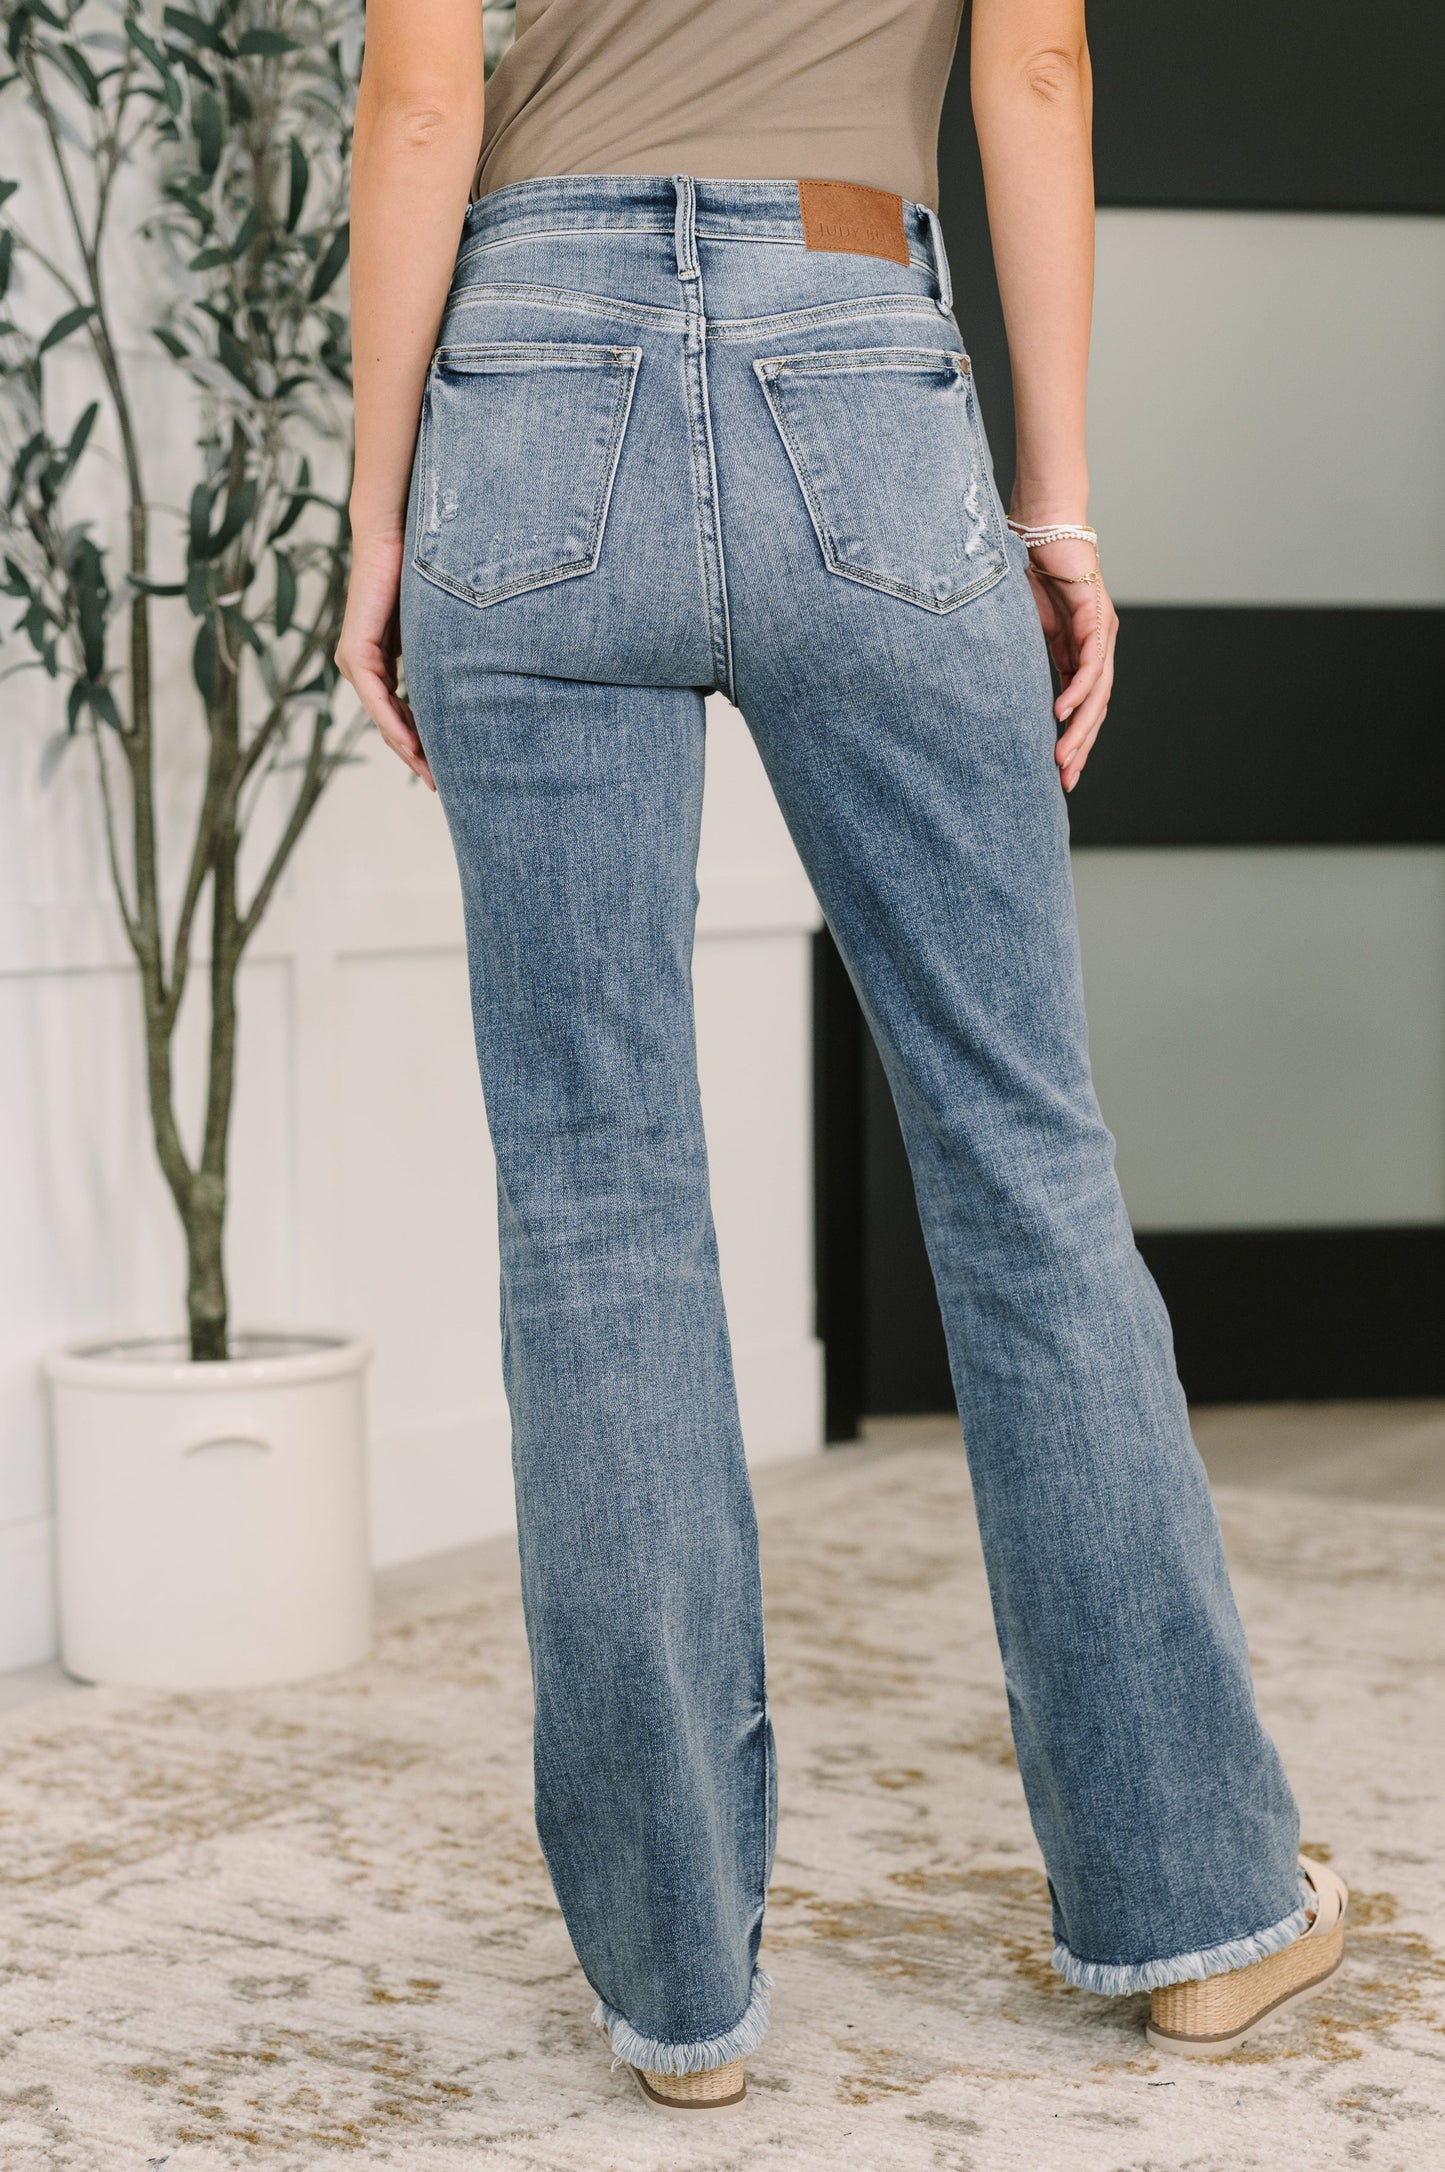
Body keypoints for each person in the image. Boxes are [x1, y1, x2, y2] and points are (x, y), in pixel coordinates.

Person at [336, 0, 1346, 2113]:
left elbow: (426, 91)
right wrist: (1059, 507)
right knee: (1019, 1156)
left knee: (596, 1189)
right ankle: (1194, 1911)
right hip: (853, 342)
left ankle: (678, 1992)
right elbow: (1037, 74)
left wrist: (375, 524)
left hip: (524, 367)